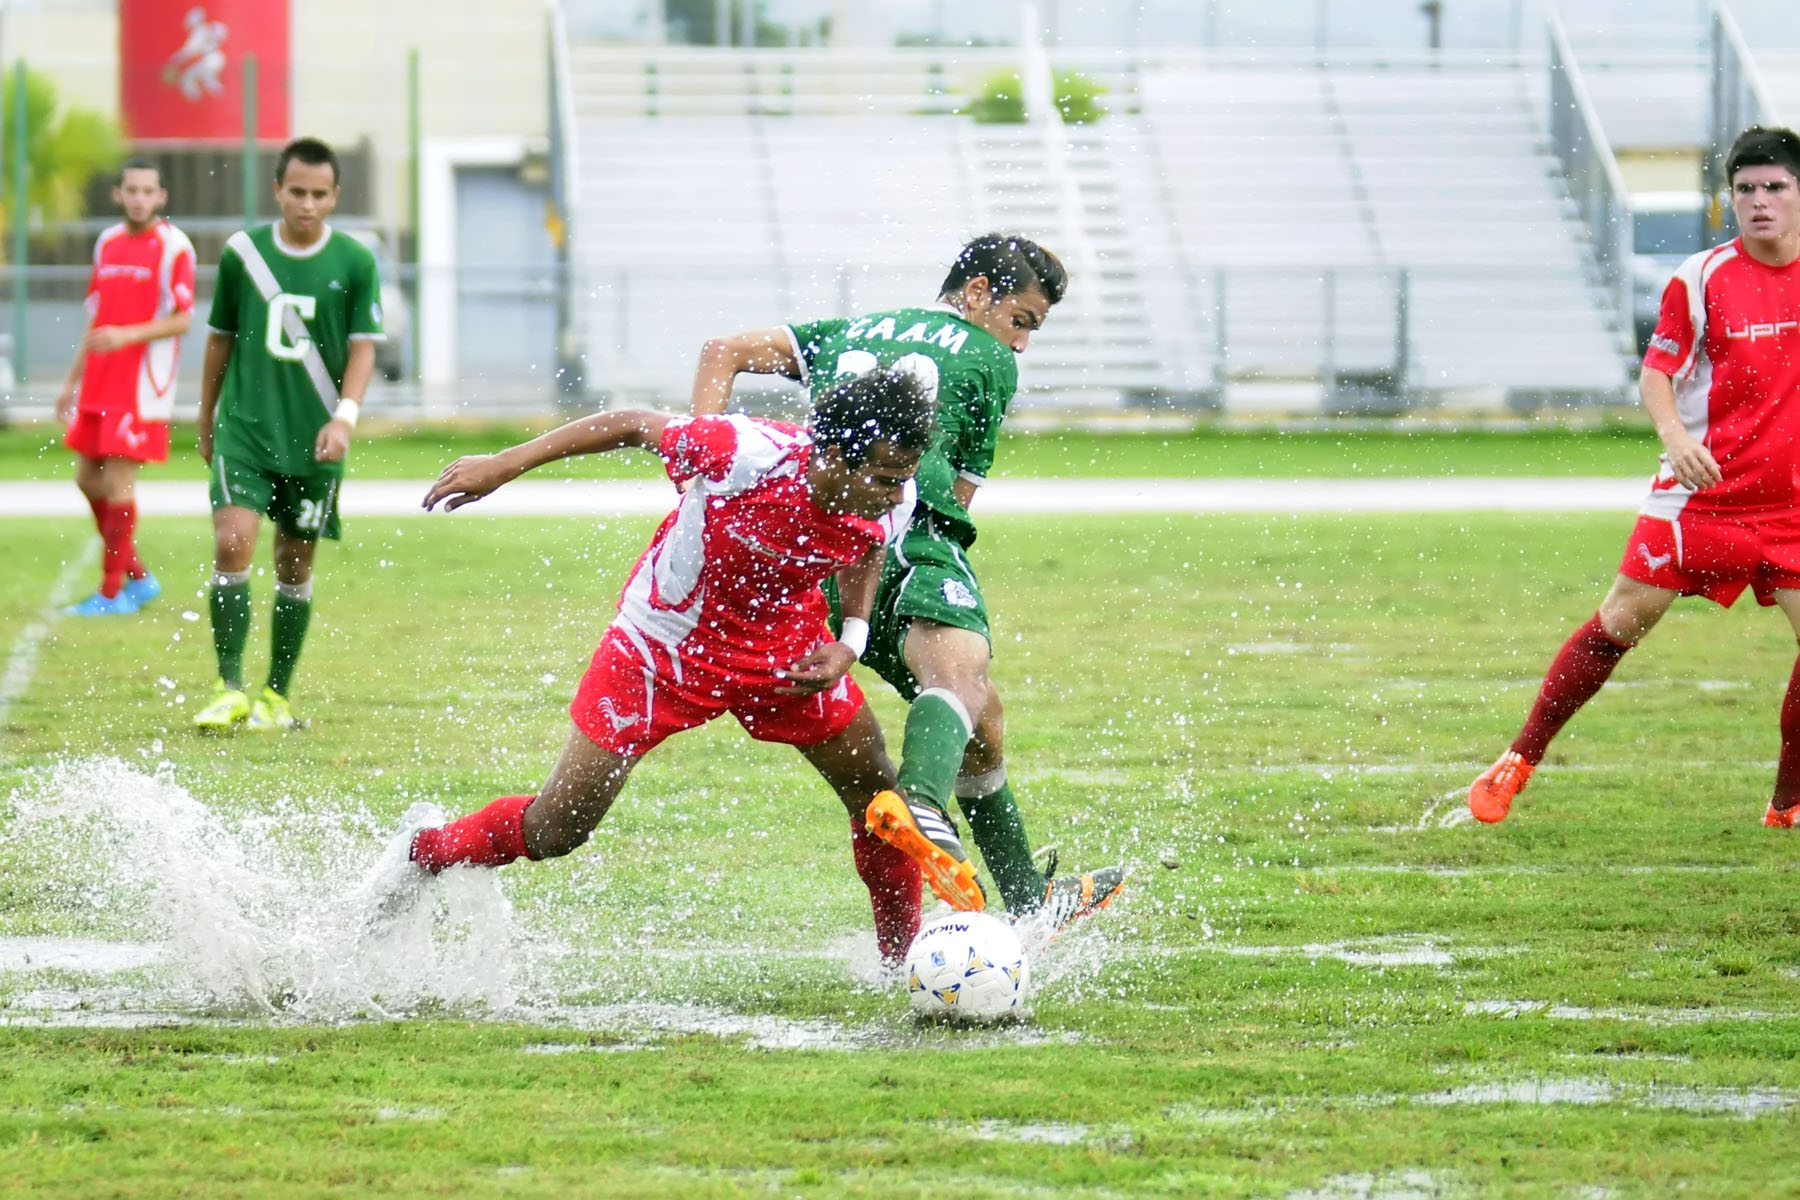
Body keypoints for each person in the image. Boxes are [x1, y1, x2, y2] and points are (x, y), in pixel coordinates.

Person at [399, 367, 939, 968]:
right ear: (835, 454)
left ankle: (903, 964)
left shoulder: (893, 491)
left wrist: (852, 639)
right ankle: (424, 851)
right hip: (663, 648)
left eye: (904, 479)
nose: (897, 494)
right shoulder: (747, 454)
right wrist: (507, 463)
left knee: (877, 800)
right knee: (559, 828)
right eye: (886, 478)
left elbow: (863, 546)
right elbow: (630, 423)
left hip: (785, 653)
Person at [691, 233, 1127, 927]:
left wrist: (706, 468)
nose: (1020, 345)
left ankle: (1027, 899)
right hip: (909, 534)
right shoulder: (988, 359)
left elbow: (723, 351)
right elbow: (955, 491)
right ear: (979, 293)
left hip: (829, 557)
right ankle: (921, 804)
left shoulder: (852, 330)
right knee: (959, 675)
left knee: (980, 719)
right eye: (1022, 321)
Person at [1468, 125, 1800, 829]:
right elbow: (1657, 370)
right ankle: (1518, 760)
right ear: (1729, 199)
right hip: (1704, 495)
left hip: (1793, 505)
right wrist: (1675, 436)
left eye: (1776, 187)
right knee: (1619, 621)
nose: (1759, 202)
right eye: (1746, 190)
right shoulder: (1702, 276)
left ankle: (1788, 800)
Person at [192, 137, 384, 733]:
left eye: (318, 194)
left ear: (335, 197)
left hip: (316, 440)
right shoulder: (242, 254)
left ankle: (276, 695)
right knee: (232, 543)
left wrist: (344, 417)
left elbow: (363, 350)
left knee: (294, 563)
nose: (306, 204)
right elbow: (219, 337)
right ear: (277, 190)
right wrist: (206, 417)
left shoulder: (355, 261)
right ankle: (229, 688)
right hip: (245, 430)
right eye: (295, 192)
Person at [55, 158, 195, 616]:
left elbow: (183, 319)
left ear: (161, 197)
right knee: (85, 478)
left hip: (140, 385)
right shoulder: (108, 243)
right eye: (131, 190)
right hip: (99, 380)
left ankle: (113, 593)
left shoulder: (175, 247)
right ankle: (137, 575)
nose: (139, 198)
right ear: (118, 194)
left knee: (118, 482)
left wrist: (126, 335)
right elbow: (97, 318)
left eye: (147, 190)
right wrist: (70, 382)